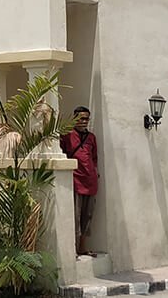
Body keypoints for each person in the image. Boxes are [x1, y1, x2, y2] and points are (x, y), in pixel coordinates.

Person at [60, 106, 98, 256]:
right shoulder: (67, 136)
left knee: (87, 216)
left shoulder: (91, 138)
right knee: (75, 215)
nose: (84, 121)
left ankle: (82, 247)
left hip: (91, 181)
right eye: (81, 118)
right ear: (75, 119)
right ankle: (73, 249)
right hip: (76, 180)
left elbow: (94, 157)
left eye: (86, 119)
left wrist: (95, 172)